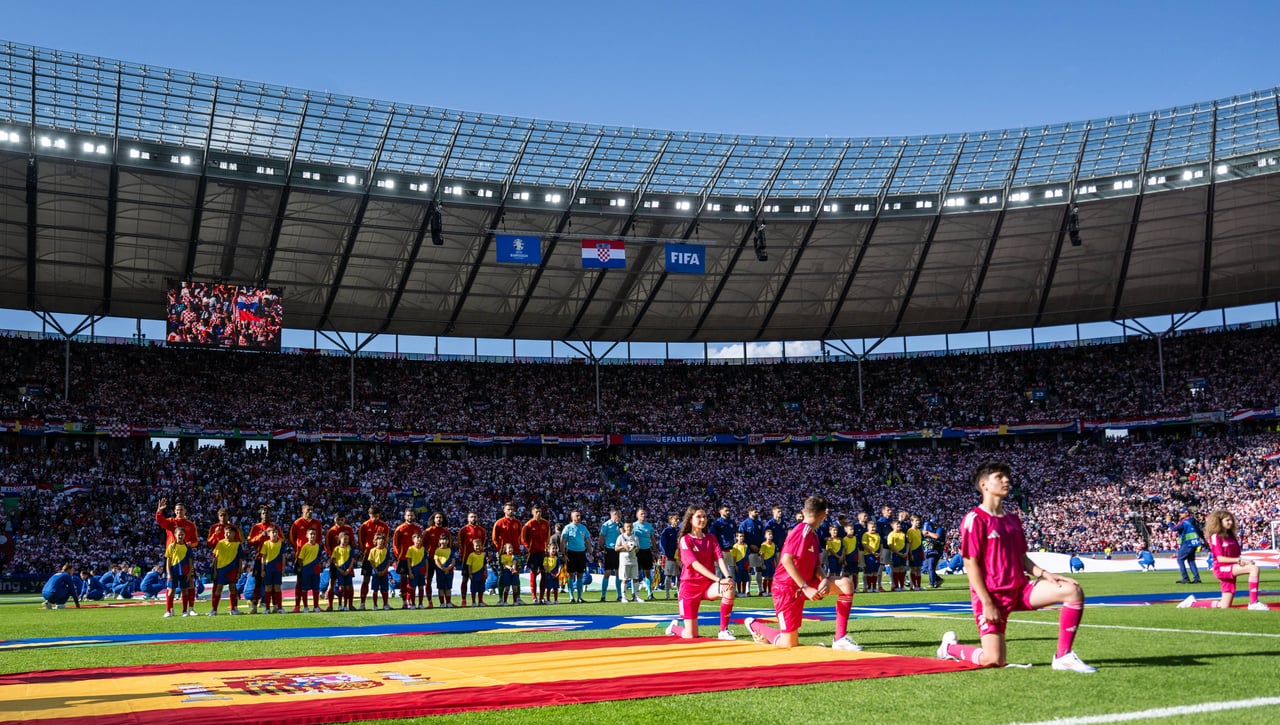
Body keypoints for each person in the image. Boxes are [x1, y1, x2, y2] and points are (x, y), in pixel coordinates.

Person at [937, 461, 1095, 673]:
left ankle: (1063, 656)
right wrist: (986, 602)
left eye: (1006, 476)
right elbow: (970, 563)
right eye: (999, 477)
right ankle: (950, 648)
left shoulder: (1012, 519)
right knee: (993, 660)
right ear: (984, 485)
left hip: (1020, 590)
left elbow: (1022, 557)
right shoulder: (974, 519)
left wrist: (1047, 575)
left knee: (1072, 590)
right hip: (992, 597)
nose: (1006, 480)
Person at [745, 495, 861, 651]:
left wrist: (824, 580)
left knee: (846, 584)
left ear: (804, 511)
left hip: (804, 584)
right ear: (824, 514)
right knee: (788, 644)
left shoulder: (812, 534)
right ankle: (754, 625)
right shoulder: (802, 531)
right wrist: (806, 587)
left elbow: (816, 565)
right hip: (786, 589)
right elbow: (786, 561)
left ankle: (839, 638)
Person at [664, 505, 736, 641]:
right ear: (690, 520)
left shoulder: (711, 538)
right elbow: (695, 565)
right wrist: (718, 579)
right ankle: (674, 627)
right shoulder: (685, 539)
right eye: (699, 516)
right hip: (690, 588)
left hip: (708, 586)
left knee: (729, 587)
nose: (702, 519)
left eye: (704, 516)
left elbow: (720, 558)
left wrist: (728, 577)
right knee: (690, 635)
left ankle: (723, 630)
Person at [1178, 509, 1268, 611]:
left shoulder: (1232, 537)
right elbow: (1220, 558)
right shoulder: (1215, 537)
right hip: (1221, 568)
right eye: (1227, 520)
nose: (1230, 522)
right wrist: (1239, 561)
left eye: (1231, 520)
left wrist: (1242, 561)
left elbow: (1236, 554)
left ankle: (1192, 603)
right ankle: (1253, 602)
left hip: (1229, 567)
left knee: (1224, 605)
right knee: (1254, 569)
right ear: (1219, 522)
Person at [247, 506, 281, 614]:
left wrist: (274, 537)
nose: (265, 515)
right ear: (260, 515)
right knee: (257, 583)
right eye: (263, 513)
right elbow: (250, 541)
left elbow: (282, 540)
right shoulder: (256, 527)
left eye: (267, 513)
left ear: (270, 514)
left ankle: (275, 606)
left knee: (273, 584)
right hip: (259, 558)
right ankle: (254, 606)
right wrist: (261, 536)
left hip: (274, 560)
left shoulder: (275, 527)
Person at [356, 506, 390, 610]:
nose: (374, 518)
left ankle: (385, 604)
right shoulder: (364, 526)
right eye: (372, 516)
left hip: (381, 555)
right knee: (366, 579)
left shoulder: (384, 526)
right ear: (369, 515)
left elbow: (386, 540)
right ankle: (362, 603)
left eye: (376, 516)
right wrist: (366, 552)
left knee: (383, 579)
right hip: (368, 556)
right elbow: (361, 541)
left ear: (379, 515)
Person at [492, 503, 524, 604]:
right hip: (503, 554)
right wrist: (500, 550)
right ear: (504, 510)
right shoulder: (499, 523)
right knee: (502, 575)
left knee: (516, 574)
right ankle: (501, 599)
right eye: (508, 509)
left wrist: (517, 547)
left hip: (516, 553)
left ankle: (517, 598)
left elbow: (520, 536)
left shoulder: (518, 523)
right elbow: (494, 538)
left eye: (512, 509)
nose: (510, 511)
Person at [209, 524, 244, 616]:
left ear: (234, 534)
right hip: (221, 570)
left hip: (232, 569)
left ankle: (233, 609)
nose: (227, 534)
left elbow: (240, 559)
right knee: (218, 588)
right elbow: (215, 558)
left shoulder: (237, 544)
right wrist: (215, 570)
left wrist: (239, 571)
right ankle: (214, 609)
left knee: (232, 588)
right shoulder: (220, 543)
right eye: (226, 533)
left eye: (229, 533)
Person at [325, 512, 356, 611]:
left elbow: (352, 543)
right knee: (332, 583)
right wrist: (333, 557)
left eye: (342, 520)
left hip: (347, 562)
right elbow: (327, 546)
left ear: (344, 520)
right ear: (335, 520)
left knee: (349, 585)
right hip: (336, 562)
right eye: (338, 520)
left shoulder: (349, 529)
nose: (340, 522)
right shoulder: (331, 531)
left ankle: (350, 605)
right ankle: (330, 605)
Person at [392, 508, 423, 608]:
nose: (410, 517)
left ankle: (410, 600)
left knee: (412, 580)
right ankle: (404, 601)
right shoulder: (400, 529)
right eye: (408, 515)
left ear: (414, 516)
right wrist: (399, 556)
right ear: (405, 516)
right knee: (403, 579)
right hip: (403, 559)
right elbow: (395, 544)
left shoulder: (418, 529)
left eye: (412, 515)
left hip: (415, 560)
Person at [521, 505, 551, 604]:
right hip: (533, 553)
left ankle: (542, 597)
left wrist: (546, 548)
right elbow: (523, 539)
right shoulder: (529, 524)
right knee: (533, 574)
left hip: (542, 552)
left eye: (540, 512)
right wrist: (529, 548)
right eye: (536, 512)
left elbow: (547, 537)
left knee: (544, 573)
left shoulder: (545, 523)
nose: (538, 513)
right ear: (532, 512)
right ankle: (534, 597)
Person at [457, 511, 486, 606]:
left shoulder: (482, 530)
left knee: (480, 580)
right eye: (471, 517)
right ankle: (464, 600)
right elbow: (460, 543)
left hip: (479, 559)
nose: (473, 518)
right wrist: (463, 555)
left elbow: (483, 542)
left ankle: (480, 600)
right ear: (468, 519)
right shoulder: (463, 530)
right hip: (467, 559)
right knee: (465, 579)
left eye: (475, 516)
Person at [561, 509, 591, 603]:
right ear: (572, 517)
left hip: (581, 553)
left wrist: (590, 551)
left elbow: (587, 540)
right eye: (576, 515)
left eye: (579, 515)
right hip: (571, 553)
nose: (578, 517)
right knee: (570, 575)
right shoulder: (567, 528)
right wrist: (563, 554)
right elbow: (563, 541)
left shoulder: (583, 528)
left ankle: (579, 597)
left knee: (580, 575)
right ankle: (571, 596)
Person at [164, 527, 194, 618]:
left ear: (184, 535)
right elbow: (168, 560)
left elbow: (190, 560)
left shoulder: (187, 547)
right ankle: (168, 611)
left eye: (182, 534)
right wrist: (168, 573)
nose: (180, 536)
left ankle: (184, 611)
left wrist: (189, 572)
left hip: (184, 572)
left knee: (184, 591)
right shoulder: (171, 546)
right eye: (178, 534)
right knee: (171, 591)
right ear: (175, 535)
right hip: (174, 572)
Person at [1168, 510, 1204, 584]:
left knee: (1180, 559)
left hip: (1187, 543)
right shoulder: (1193, 521)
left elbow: (1174, 528)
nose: (1180, 514)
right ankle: (1197, 579)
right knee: (1191, 561)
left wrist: (1169, 522)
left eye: (1181, 513)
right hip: (1194, 543)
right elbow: (1199, 531)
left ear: (1186, 513)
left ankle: (1185, 578)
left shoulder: (1184, 521)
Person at [295, 527, 323, 613]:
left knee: (316, 588)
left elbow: (319, 558)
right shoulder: (305, 547)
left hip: (315, 570)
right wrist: (301, 567)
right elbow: (300, 558)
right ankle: (306, 607)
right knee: (304, 589)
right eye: (311, 534)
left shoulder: (318, 546)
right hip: (306, 570)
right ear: (307, 535)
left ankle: (315, 606)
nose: (313, 536)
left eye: (314, 534)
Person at [259, 525, 286, 614]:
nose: (274, 534)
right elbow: (263, 557)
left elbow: (283, 557)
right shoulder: (266, 544)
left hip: (277, 569)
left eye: (276, 532)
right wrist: (262, 569)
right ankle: (267, 608)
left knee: (277, 588)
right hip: (268, 569)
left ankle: (279, 607)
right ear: (268, 534)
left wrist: (283, 568)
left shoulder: (281, 543)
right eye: (272, 532)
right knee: (268, 588)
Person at [598, 509, 623, 602]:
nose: (617, 516)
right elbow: (601, 538)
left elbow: (624, 535)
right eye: (615, 514)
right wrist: (601, 548)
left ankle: (619, 595)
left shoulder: (621, 524)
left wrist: (620, 524)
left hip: (619, 550)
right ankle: (603, 595)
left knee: (618, 573)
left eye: (618, 514)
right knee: (607, 572)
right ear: (611, 515)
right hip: (609, 549)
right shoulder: (606, 525)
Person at [632, 508, 656, 601]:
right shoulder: (633, 526)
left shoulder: (649, 526)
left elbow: (653, 539)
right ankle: (634, 593)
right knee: (635, 573)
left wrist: (655, 550)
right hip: (637, 552)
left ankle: (650, 593)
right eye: (641, 514)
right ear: (637, 515)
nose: (643, 515)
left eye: (644, 513)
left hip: (647, 551)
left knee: (647, 573)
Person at [329, 530, 356, 611]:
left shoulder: (350, 548)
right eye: (344, 539)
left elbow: (352, 560)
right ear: (340, 539)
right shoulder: (336, 549)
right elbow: (334, 560)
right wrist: (339, 569)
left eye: (347, 539)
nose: (346, 541)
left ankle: (346, 605)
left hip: (348, 571)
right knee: (341, 587)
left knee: (348, 587)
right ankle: (340, 604)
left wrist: (349, 569)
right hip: (340, 571)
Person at [366, 530, 392, 611]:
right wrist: (376, 570)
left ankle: (385, 604)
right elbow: (371, 561)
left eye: (382, 540)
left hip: (384, 573)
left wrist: (385, 570)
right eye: (379, 540)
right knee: (375, 590)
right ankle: (375, 605)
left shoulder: (386, 550)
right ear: (375, 541)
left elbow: (388, 561)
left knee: (385, 589)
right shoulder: (373, 550)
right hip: (375, 573)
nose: (380, 541)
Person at [615, 521, 641, 602]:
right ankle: (624, 597)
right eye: (627, 527)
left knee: (636, 578)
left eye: (630, 527)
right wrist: (624, 546)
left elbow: (638, 549)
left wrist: (635, 548)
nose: (628, 528)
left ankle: (636, 596)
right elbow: (616, 548)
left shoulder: (635, 537)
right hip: (624, 560)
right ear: (624, 528)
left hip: (633, 559)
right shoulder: (621, 537)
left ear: (632, 527)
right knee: (625, 579)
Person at [658, 513, 681, 599]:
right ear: (671, 520)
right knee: (668, 575)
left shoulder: (680, 530)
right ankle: (667, 594)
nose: (678, 521)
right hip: (670, 557)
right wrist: (666, 553)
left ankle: (679, 593)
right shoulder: (666, 531)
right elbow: (662, 543)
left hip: (678, 558)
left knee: (678, 575)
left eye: (678, 519)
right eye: (676, 519)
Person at [433, 533, 457, 608]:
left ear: (448, 541)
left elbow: (453, 561)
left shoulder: (450, 550)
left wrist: (448, 568)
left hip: (449, 572)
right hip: (440, 572)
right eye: (442, 539)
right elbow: (436, 561)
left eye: (445, 539)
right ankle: (442, 603)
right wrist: (443, 569)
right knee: (441, 588)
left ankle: (448, 602)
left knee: (448, 588)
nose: (443, 541)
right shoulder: (437, 550)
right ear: (439, 541)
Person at [406, 532, 428, 609]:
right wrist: (410, 572)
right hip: (414, 571)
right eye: (417, 537)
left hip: (421, 572)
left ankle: (420, 603)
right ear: (413, 539)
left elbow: (426, 562)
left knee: (421, 587)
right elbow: (408, 561)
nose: (419, 539)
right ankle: (413, 603)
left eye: (420, 538)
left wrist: (426, 573)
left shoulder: (424, 549)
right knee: (412, 588)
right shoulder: (410, 549)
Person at [463, 538, 488, 607]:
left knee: (481, 588)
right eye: (476, 546)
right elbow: (469, 565)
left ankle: (480, 601)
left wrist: (486, 572)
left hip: (482, 573)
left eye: (479, 545)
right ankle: (473, 602)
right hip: (474, 574)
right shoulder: (471, 555)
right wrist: (470, 573)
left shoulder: (483, 555)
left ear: (481, 546)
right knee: (473, 589)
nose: (478, 547)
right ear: (473, 547)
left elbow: (485, 564)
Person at [923, 516, 947, 588]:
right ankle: (938, 579)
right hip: (930, 550)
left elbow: (936, 536)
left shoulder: (940, 529)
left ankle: (932, 583)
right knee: (926, 568)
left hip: (936, 550)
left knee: (931, 567)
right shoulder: (932, 530)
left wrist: (927, 533)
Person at [860, 522, 882, 593]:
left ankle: (874, 587)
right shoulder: (865, 535)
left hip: (877, 555)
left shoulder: (878, 535)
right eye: (871, 527)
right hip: (868, 555)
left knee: (875, 572)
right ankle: (869, 587)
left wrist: (880, 553)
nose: (873, 529)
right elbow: (864, 544)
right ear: (868, 528)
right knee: (869, 571)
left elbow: (881, 544)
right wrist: (872, 552)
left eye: (874, 527)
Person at [886, 519, 908, 591]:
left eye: (899, 524)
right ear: (892, 526)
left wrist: (906, 553)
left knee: (902, 569)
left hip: (903, 553)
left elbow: (907, 543)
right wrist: (898, 553)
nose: (899, 525)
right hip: (895, 554)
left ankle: (901, 586)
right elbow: (890, 545)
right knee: (896, 570)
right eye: (897, 524)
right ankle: (896, 586)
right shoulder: (891, 534)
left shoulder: (903, 534)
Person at [758, 527, 778, 596]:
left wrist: (775, 563)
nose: (771, 535)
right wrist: (763, 563)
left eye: (771, 534)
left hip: (771, 562)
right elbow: (762, 555)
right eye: (769, 534)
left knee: (771, 577)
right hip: (766, 562)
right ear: (765, 536)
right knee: (765, 577)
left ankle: (770, 591)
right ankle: (764, 591)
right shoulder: (763, 545)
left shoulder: (774, 545)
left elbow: (775, 555)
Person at [907, 515, 925, 590]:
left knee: (918, 569)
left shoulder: (919, 531)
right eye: (916, 520)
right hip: (913, 551)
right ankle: (913, 585)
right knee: (913, 569)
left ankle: (918, 585)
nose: (918, 522)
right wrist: (910, 554)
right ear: (911, 522)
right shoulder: (909, 531)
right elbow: (909, 543)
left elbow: (920, 542)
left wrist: (922, 552)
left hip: (919, 551)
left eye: (918, 520)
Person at [731, 531, 752, 595]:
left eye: (742, 536)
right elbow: (734, 557)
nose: (741, 538)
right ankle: (739, 592)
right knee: (738, 579)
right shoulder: (735, 546)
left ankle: (744, 592)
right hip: (738, 564)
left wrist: (749, 564)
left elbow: (748, 556)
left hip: (745, 564)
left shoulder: (746, 546)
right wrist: (735, 565)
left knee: (745, 579)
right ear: (737, 537)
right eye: (740, 536)